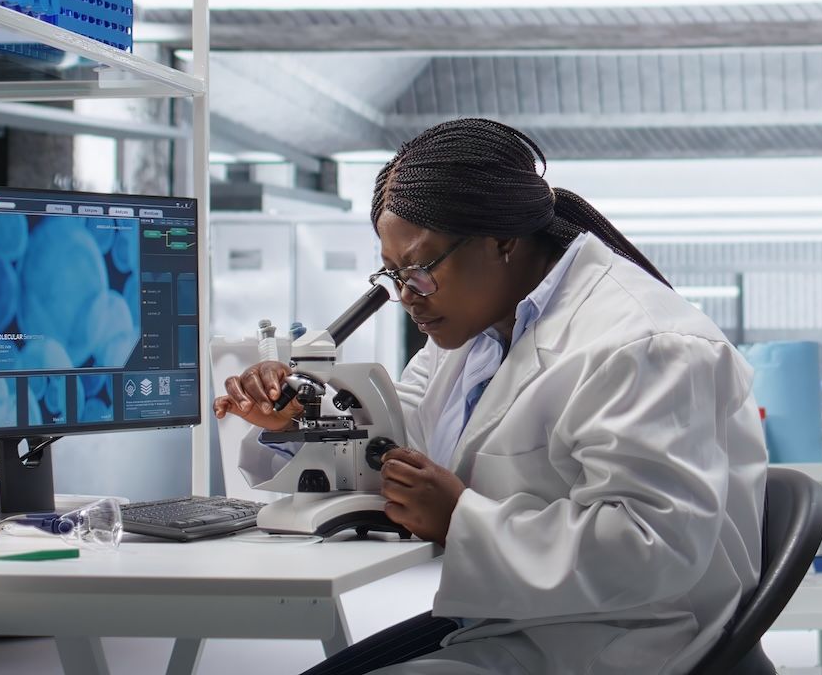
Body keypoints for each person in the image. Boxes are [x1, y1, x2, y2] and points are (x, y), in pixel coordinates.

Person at [213, 118, 767, 675]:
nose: (408, 296)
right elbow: (393, 445)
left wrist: (459, 516)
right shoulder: (471, 335)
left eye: (420, 269)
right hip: (521, 624)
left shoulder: (644, 344)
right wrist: (298, 421)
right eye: (394, 273)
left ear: (502, 241)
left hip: (619, 644)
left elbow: (652, 549)